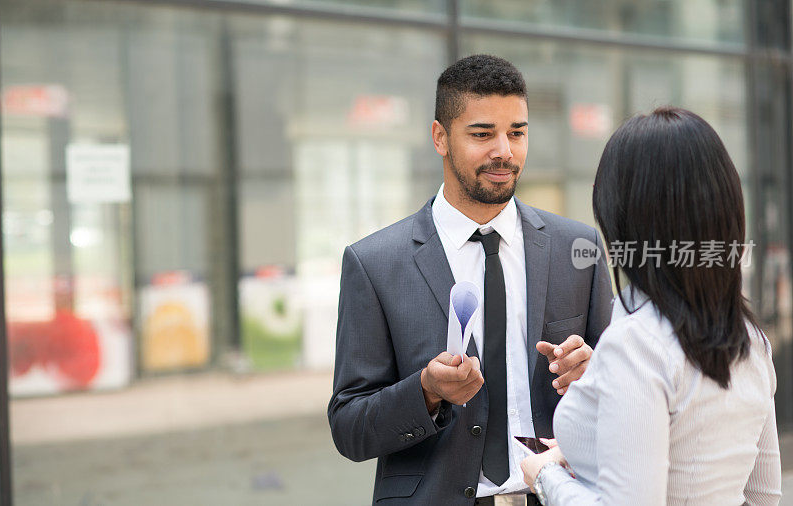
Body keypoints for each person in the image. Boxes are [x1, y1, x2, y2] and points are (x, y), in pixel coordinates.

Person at [327, 54, 613, 505]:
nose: (504, 150)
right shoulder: (375, 264)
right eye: (483, 134)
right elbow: (349, 428)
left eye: (517, 132)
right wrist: (425, 392)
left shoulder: (577, 249)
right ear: (440, 137)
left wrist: (595, 371)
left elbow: (625, 396)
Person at [520, 107, 782, 505]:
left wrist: (547, 476)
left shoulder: (637, 343)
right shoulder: (750, 339)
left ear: (625, 217)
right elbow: (764, 496)